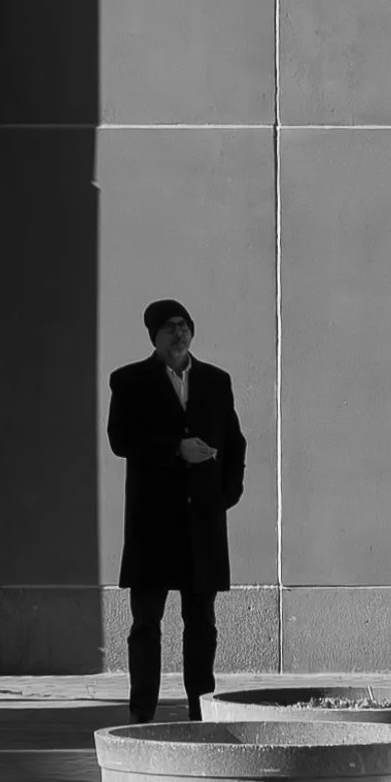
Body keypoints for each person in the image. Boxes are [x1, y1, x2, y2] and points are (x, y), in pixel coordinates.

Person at [106, 298, 246, 721]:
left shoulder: (216, 381)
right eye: (169, 327)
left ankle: (200, 711)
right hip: (153, 524)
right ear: (154, 336)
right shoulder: (130, 381)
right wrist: (175, 449)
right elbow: (121, 440)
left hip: (201, 524)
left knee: (201, 624)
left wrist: (225, 494)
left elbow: (235, 441)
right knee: (146, 624)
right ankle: (142, 713)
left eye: (184, 325)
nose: (179, 333)